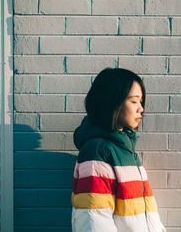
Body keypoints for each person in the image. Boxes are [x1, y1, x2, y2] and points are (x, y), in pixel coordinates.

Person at [71, 68, 166, 232]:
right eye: (134, 101)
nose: (141, 108)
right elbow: (94, 221)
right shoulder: (97, 152)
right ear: (112, 102)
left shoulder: (127, 152)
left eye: (141, 101)